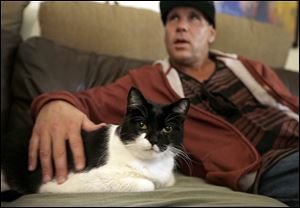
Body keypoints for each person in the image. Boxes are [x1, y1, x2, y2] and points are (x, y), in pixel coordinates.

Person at [28, 1, 299, 206]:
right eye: (173, 19)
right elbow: (84, 101)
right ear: (166, 31)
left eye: (194, 18)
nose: (181, 26)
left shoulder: (251, 68)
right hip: (269, 165)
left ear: (212, 33)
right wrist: (55, 104)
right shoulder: (147, 80)